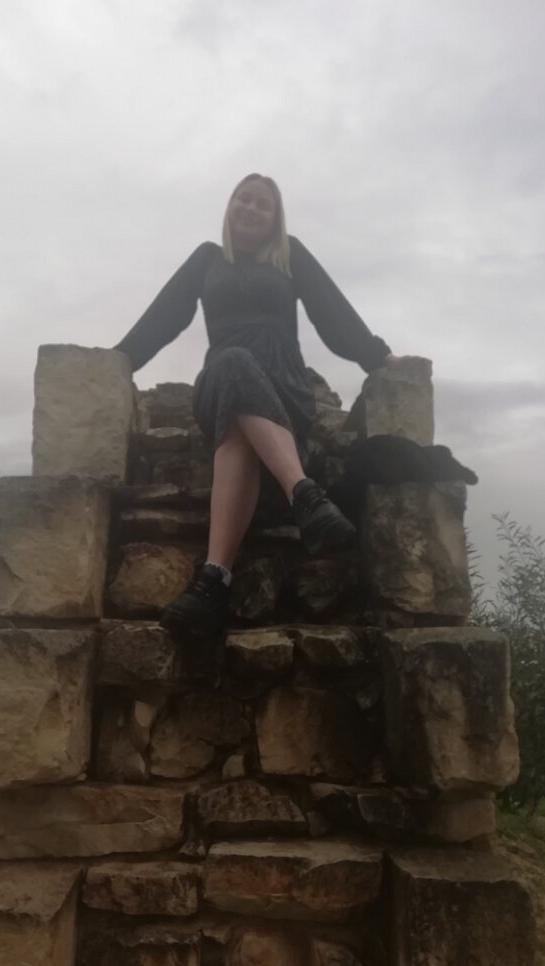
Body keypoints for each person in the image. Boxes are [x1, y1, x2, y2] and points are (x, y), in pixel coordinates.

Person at [114, 174, 402, 639]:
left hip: (284, 387)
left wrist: (377, 357)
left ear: (275, 218)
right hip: (221, 378)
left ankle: (213, 580)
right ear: (230, 206)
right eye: (243, 199)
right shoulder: (207, 259)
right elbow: (164, 316)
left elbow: (332, 311)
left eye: (262, 204)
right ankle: (305, 495)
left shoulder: (290, 255)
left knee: (236, 432)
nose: (250, 208)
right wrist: (117, 360)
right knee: (233, 365)